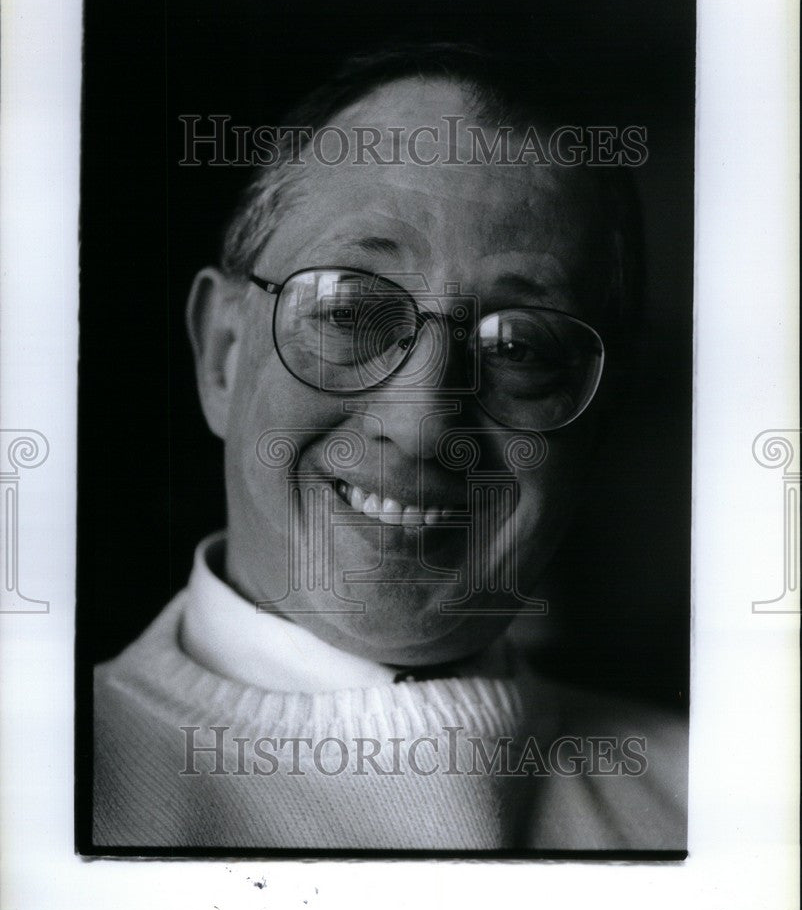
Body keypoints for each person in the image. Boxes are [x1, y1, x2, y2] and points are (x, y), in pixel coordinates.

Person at [93, 45, 687, 851]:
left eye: (519, 346)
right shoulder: (47, 785)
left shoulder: (725, 805)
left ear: (595, 420)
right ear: (222, 355)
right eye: (348, 312)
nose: (422, 427)